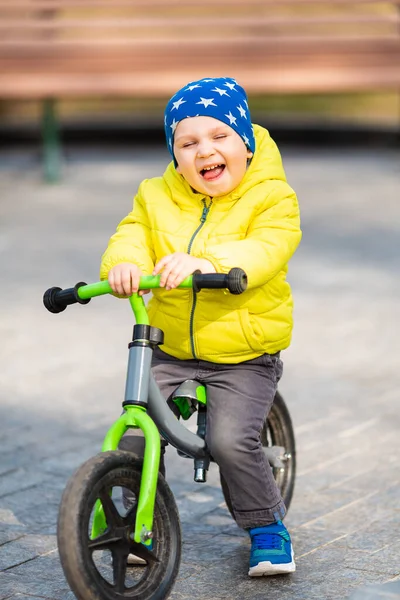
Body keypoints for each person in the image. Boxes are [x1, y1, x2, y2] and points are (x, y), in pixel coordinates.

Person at [100, 77, 301, 577]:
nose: (204, 152)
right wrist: (123, 265)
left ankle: (266, 525)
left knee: (231, 441)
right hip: (171, 346)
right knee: (135, 432)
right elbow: (131, 234)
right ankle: (132, 523)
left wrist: (204, 261)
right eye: (187, 143)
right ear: (174, 154)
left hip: (243, 351)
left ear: (246, 144)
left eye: (219, 137)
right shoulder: (155, 195)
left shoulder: (272, 197)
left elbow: (266, 250)